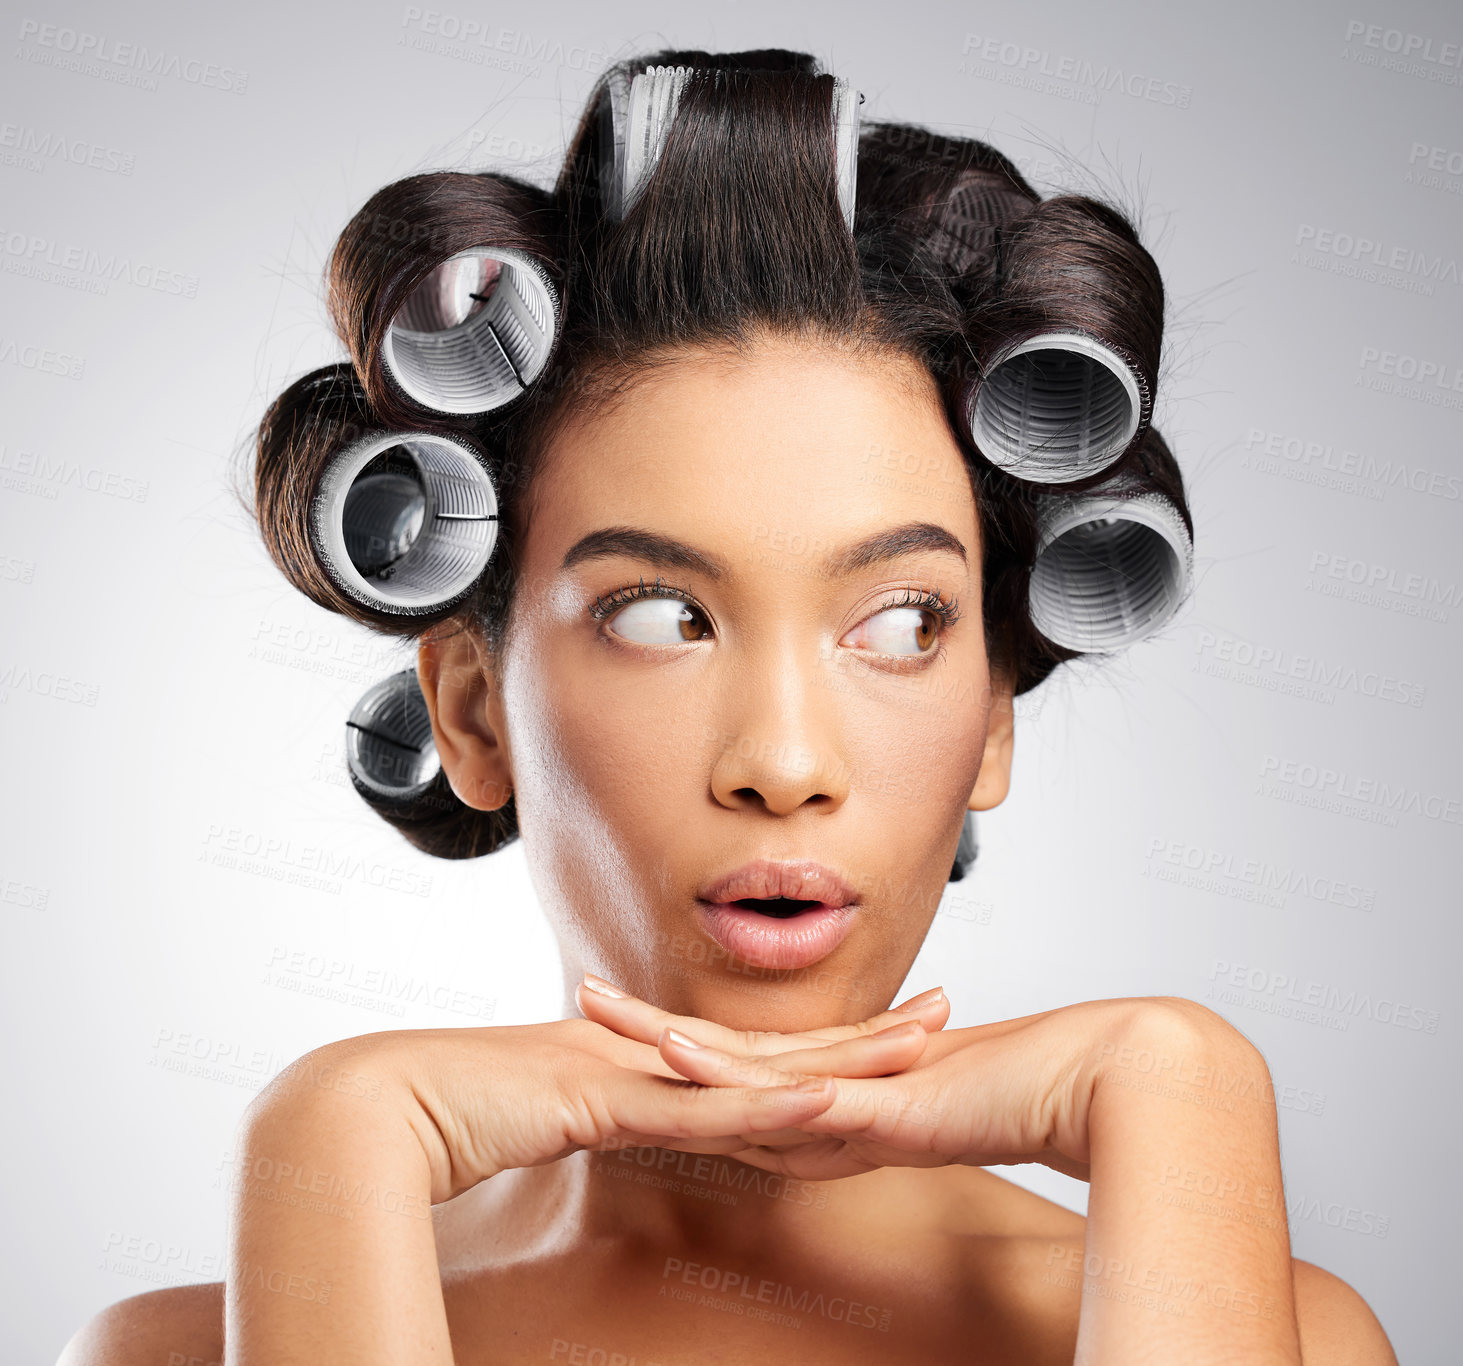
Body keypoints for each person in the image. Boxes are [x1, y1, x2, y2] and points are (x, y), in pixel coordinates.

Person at [58, 47, 1397, 1365]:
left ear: (993, 712)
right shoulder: (179, 1352)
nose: (785, 762)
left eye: (898, 624)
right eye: (659, 617)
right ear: (472, 714)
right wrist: (331, 1129)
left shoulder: (1278, 1327)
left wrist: (1186, 1093)